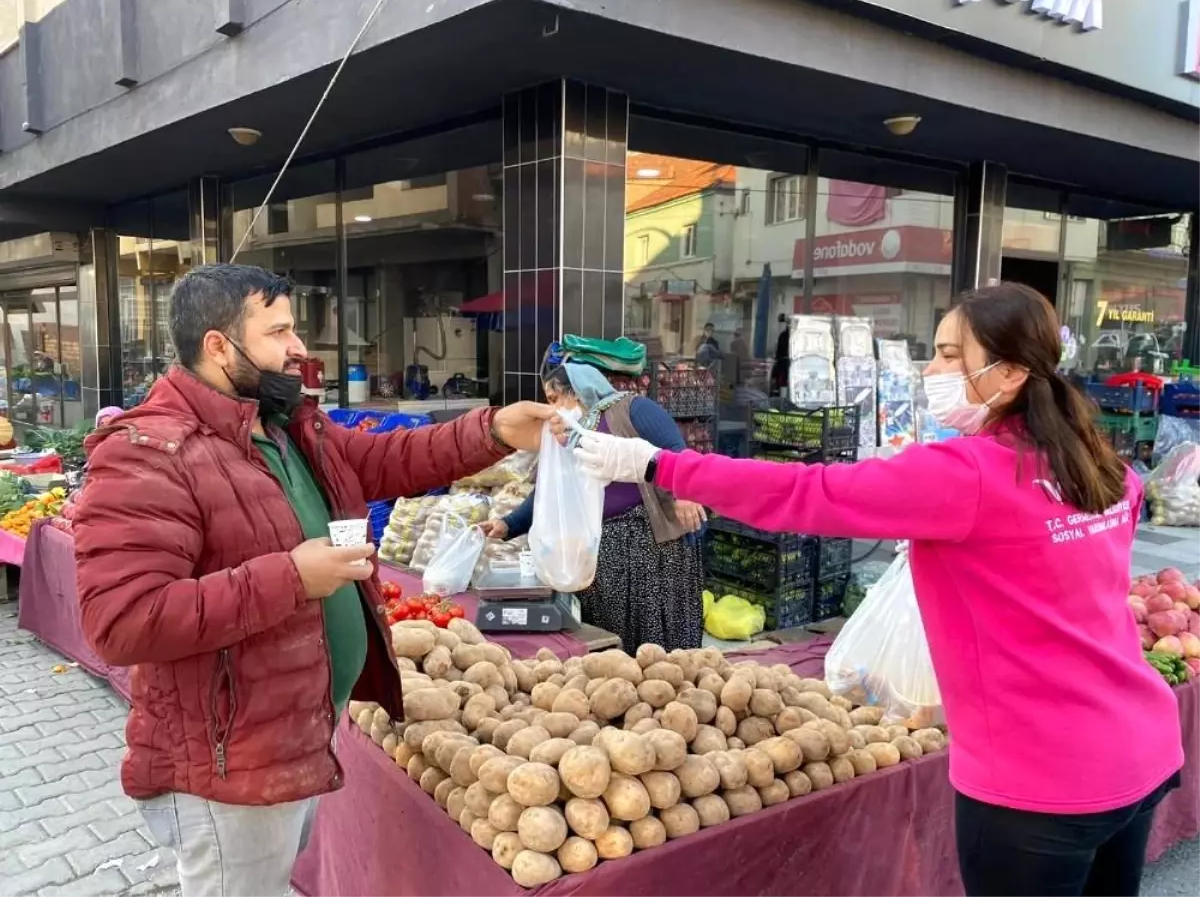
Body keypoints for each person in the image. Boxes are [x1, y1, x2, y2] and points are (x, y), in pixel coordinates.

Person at [569, 282, 1182, 897]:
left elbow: (806, 493)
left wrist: (657, 464)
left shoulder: (966, 473)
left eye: (948, 355)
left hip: (1041, 781)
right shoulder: (1102, 465)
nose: (932, 369)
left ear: (1012, 372)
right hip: (1141, 744)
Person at [73, 264, 552, 897]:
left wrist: (490, 431)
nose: (298, 348)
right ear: (219, 347)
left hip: (293, 732)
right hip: (230, 758)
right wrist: (293, 577)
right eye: (279, 331)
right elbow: (123, 621)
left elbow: (384, 458)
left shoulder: (281, 425)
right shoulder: (147, 453)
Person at [480, 346, 706, 650]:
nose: (553, 410)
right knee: (609, 643)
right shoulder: (567, 434)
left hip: (650, 551)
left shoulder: (633, 409)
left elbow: (677, 451)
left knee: (654, 642)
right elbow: (550, 491)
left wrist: (685, 493)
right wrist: (508, 525)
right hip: (600, 555)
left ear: (576, 392)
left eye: (554, 399)